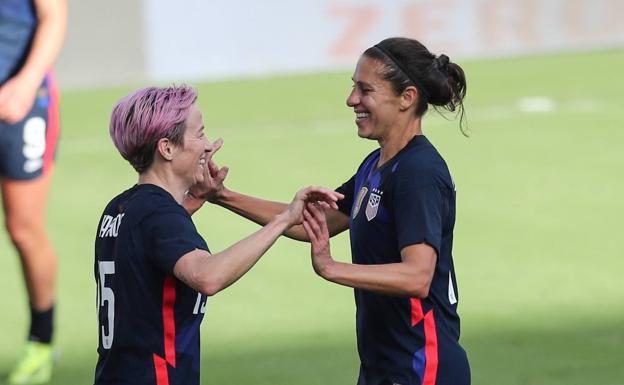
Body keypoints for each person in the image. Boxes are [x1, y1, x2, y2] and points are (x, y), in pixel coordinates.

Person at [192, 37, 470, 385]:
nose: (352, 100)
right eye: (353, 87)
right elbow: (315, 222)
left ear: (407, 98)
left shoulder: (418, 174)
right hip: (384, 365)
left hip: (420, 366)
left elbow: (417, 277)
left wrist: (331, 268)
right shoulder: (377, 164)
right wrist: (223, 196)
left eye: (365, 89)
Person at [94, 85, 342, 385]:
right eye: (199, 134)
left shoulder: (120, 208)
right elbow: (206, 277)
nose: (208, 145)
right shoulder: (159, 214)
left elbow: (148, 259)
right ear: (167, 148)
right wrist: (283, 219)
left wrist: (190, 206)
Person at [0, 0, 67, 383]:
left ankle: (41, 341)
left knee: (23, 228)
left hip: (21, 103)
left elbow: (53, 17)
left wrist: (26, 83)